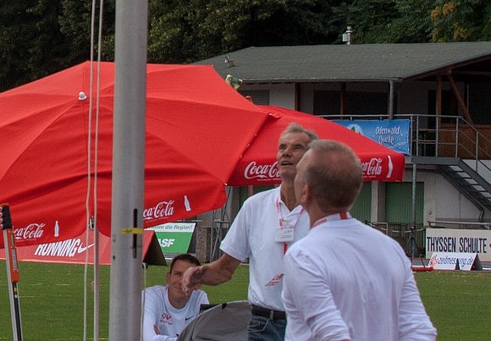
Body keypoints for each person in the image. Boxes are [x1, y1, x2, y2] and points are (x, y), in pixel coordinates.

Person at [281, 140, 435, 341]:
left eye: (298, 175)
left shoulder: (303, 255)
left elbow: (331, 333)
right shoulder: (390, 247)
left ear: (306, 191)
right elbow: (419, 330)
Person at [181, 123, 316, 341]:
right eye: (282, 148)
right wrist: (200, 273)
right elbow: (225, 269)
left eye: (296, 147)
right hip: (264, 325)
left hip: (310, 324)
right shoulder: (254, 206)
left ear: (312, 159)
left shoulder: (323, 208)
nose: (286, 153)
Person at [143, 252, 209, 340]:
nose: (181, 281)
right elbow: (149, 339)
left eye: (188, 276)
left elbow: (207, 338)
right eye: (178, 274)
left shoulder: (200, 298)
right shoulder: (150, 296)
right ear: (168, 278)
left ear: (198, 284)